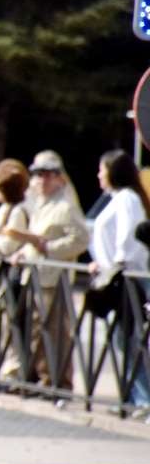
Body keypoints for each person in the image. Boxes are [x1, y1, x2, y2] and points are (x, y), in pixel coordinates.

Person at [0, 150, 88, 393]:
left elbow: (80, 240)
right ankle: (44, 380)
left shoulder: (66, 205)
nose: (42, 180)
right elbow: (37, 239)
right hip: (37, 276)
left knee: (56, 333)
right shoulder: (41, 204)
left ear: (59, 177)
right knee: (39, 332)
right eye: (38, 174)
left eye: (48, 174)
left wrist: (47, 247)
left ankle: (57, 383)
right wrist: (25, 252)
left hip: (53, 278)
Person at [86, 150, 150, 416]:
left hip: (127, 276)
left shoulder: (126, 199)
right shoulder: (117, 199)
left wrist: (116, 264)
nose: (99, 175)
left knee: (129, 337)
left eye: (102, 169)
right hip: (118, 273)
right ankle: (133, 396)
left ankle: (143, 398)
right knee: (121, 338)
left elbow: (128, 237)